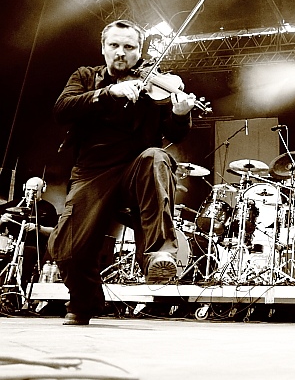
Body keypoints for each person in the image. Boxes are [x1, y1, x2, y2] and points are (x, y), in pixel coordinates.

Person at [48, 19, 196, 325]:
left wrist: (181, 116)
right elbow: (62, 109)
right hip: (92, 173)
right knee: (66, 249)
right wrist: (109, 93)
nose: (121, 53)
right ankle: (85, 301)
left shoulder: (155, 83)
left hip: (135, 170)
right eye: (114, 45)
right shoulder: (86, 76)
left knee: (157, 157)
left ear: (138, 52)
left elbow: (175, 133)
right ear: (103, 48)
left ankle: (159, 255)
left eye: (129, 47)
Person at [0, 177, 58, 288]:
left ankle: (21, 289)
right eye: (28, 190)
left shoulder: (48, 208)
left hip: (34, 248)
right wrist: (2, 220)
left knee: (28, 253)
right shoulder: (15, 204)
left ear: (43, 190)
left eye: (35, 191)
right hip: (11, 246)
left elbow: (55, 231)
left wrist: (38, 228)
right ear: (23, 188)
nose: (30, 193)